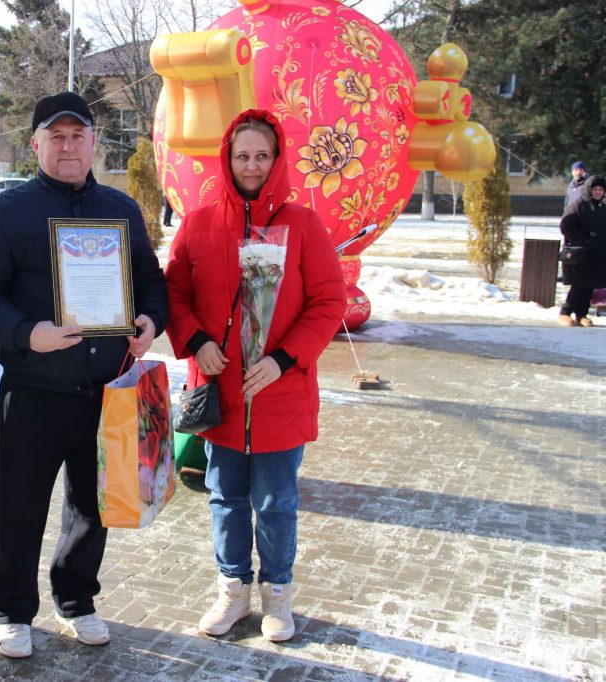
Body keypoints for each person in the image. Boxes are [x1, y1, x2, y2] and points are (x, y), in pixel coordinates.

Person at [0, 91, 169, 658]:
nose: (69, 146)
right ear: (36, 145)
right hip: (34, 391)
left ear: (94, 143)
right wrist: (27, 333)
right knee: (19, 507)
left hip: (105, 393)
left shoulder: (121, 210)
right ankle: (12, 610)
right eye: (57, 137)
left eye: (79, 136)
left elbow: (151, 281)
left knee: (93, 506)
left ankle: (76, 597)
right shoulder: (7, 212)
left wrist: (151, 320)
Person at [164, 109, 345, 640]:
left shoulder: (303, 225)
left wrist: (282, 359)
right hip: (220, 394)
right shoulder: (198, 224)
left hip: (279, 393)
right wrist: (197, 341)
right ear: (227, 159)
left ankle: (278, 596)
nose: (251, 165)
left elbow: (328, 302)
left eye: (262, 155)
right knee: (224, 498)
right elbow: (174, 294)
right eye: (242, 155)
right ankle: (232, 590)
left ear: (277, 159)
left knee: (276, 502)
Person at [558, 174, 606, 327]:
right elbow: (566, 226)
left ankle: (581, 314)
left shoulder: (602, 208)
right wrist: (582, 241)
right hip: (580, 254)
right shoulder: (578, 205)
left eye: (601, 190)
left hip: (597, 255)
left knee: (590, 285)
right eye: (595, 189)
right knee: (579, 284)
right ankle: (565, 312)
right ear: (588, 190)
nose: (598, 192)